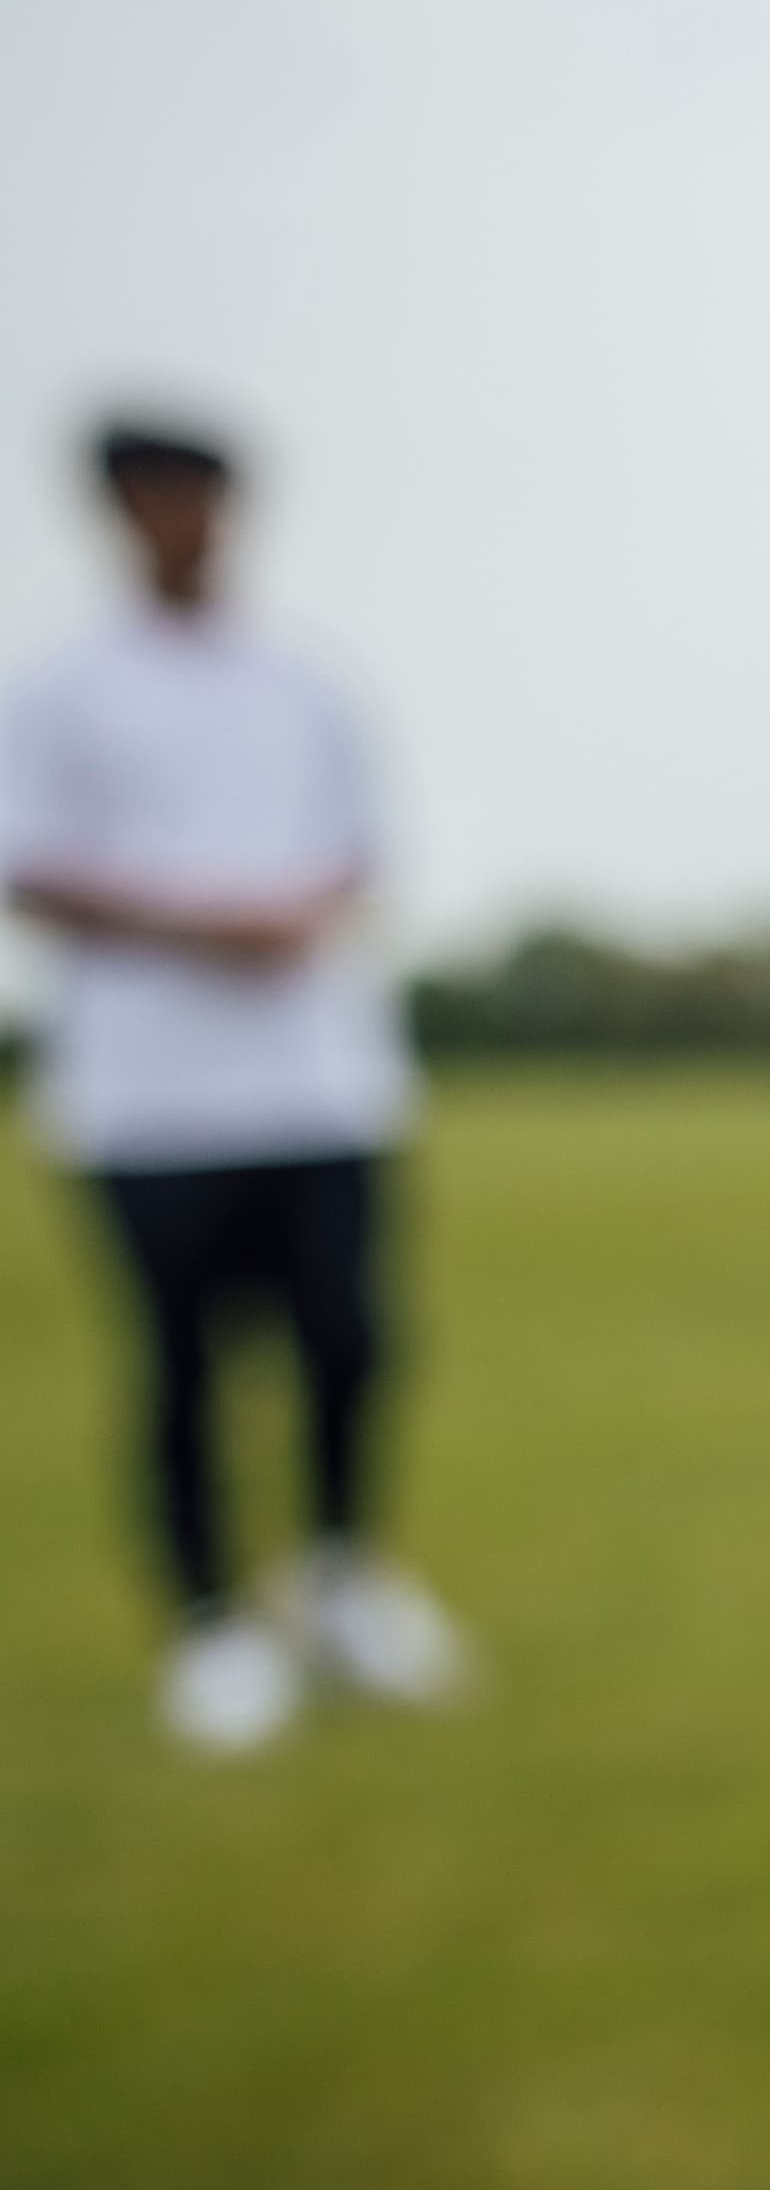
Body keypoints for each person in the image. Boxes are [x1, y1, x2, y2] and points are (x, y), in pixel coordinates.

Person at [2, 418, 464, 1757]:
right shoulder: (56, 684)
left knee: (349, 1344)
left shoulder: (306, 681)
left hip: (321, 1083)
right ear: (116, 514)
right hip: (147, 1098)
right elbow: (28, 864)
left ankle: (344, 1577)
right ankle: (213, 1626)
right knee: (184, 1364)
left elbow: (364, 852)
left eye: (200, 497)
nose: (181, 521)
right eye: (153, 498)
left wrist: (298, 913)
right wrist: (211, 923)